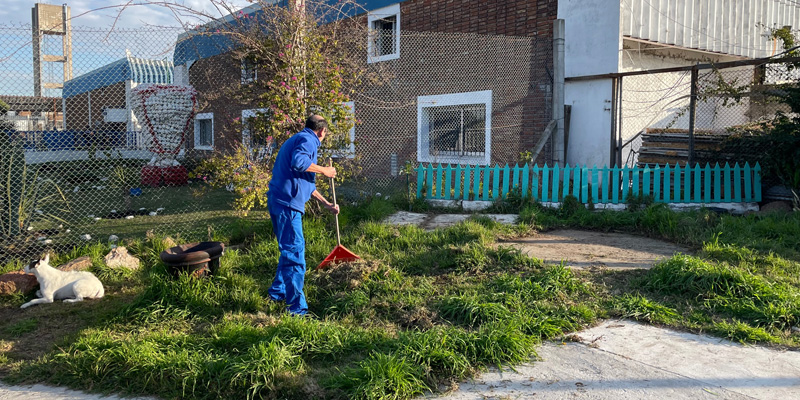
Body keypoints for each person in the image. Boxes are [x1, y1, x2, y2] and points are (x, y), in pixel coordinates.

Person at [267, 115, 339, 316]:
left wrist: (327, 204)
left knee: (288, 251)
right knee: (295, 254)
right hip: (287, 205)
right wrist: (325, 170)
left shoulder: (298, 138)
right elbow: (299, 163)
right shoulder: (308, 140)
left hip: (280, 200)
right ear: (322, 131)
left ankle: (277, 293)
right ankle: (296, 310)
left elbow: (306, 184)